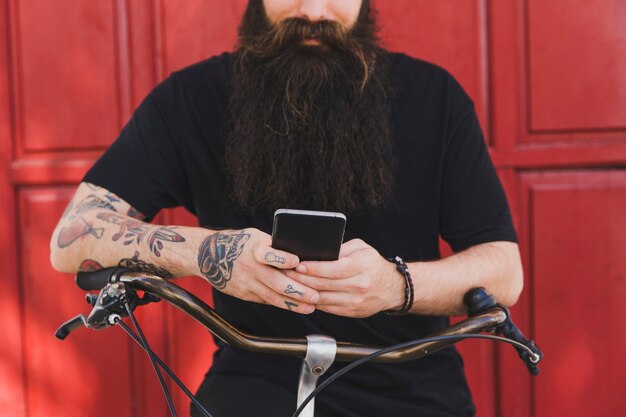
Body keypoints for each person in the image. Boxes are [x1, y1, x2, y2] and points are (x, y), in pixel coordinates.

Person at [50, 0, 523, 416]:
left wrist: (395, 286)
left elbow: (505, 271)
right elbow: (74, 233)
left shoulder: (436, 98)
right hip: (255, 373)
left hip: (411, 383)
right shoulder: (189, 99)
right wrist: (214, 253)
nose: (314, 12)